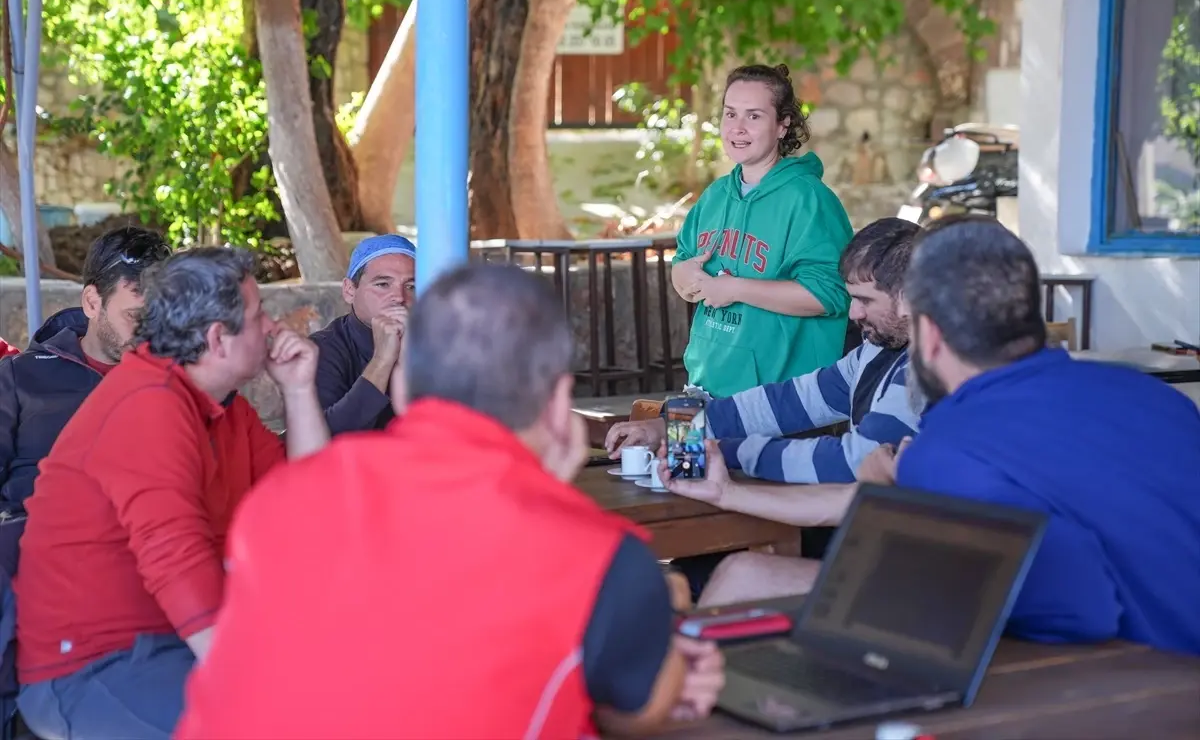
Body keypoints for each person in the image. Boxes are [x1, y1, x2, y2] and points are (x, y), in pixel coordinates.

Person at [176, 264, 725, 740]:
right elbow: (647, 707)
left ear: (404, 391)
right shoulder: (599, 557)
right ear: (560, 405)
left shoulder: (280, 498)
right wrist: (662, 621)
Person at [697, 217, 1200, 658]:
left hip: (1138, 683)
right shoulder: (1158, 398)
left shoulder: (949, 447)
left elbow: (1075, 608)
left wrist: (895, 503)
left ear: (928, 334)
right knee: (749, 575)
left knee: (745, 580)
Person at [14, 247, 331, 740]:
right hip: (93, 668)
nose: (271, 327)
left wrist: (297, 390)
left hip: (171, 645)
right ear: (215, 339)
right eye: (256, 315)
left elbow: (309, 508)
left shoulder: (221, 406)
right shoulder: (149, 405)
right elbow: (175, 560)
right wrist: (257, 683)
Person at [608, 218, 921, 486]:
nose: (853, 314)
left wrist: (722, 450)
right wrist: (666, 426)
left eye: (865, 300)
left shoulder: (922, 371)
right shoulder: (874, 351)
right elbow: (785, 402)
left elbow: (852, 461)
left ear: (910, 297)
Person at [671, 64, 853, 398]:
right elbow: (683, 264)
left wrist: (736, 288)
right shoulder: (714, 196)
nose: (737, 128)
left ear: (783, 125)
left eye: (753, 116)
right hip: (705, 388)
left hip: (781, 403)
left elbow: (831, 294)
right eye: (730, 114)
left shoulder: (809, 199)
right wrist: (684, 277)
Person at [0, 227, 170, 565]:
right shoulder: (20, 376)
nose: (149, 333)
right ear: (92, 302)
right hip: (30, 556)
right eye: (135, 317)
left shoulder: (174, 383)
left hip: (140, 559)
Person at [311, 234, 417, 434]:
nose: (399, 297)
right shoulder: (323, 348)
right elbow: (322, 437)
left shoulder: (435, 345)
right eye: (383, 284)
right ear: (350, 290)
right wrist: (382, 361)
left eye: (411, 286)